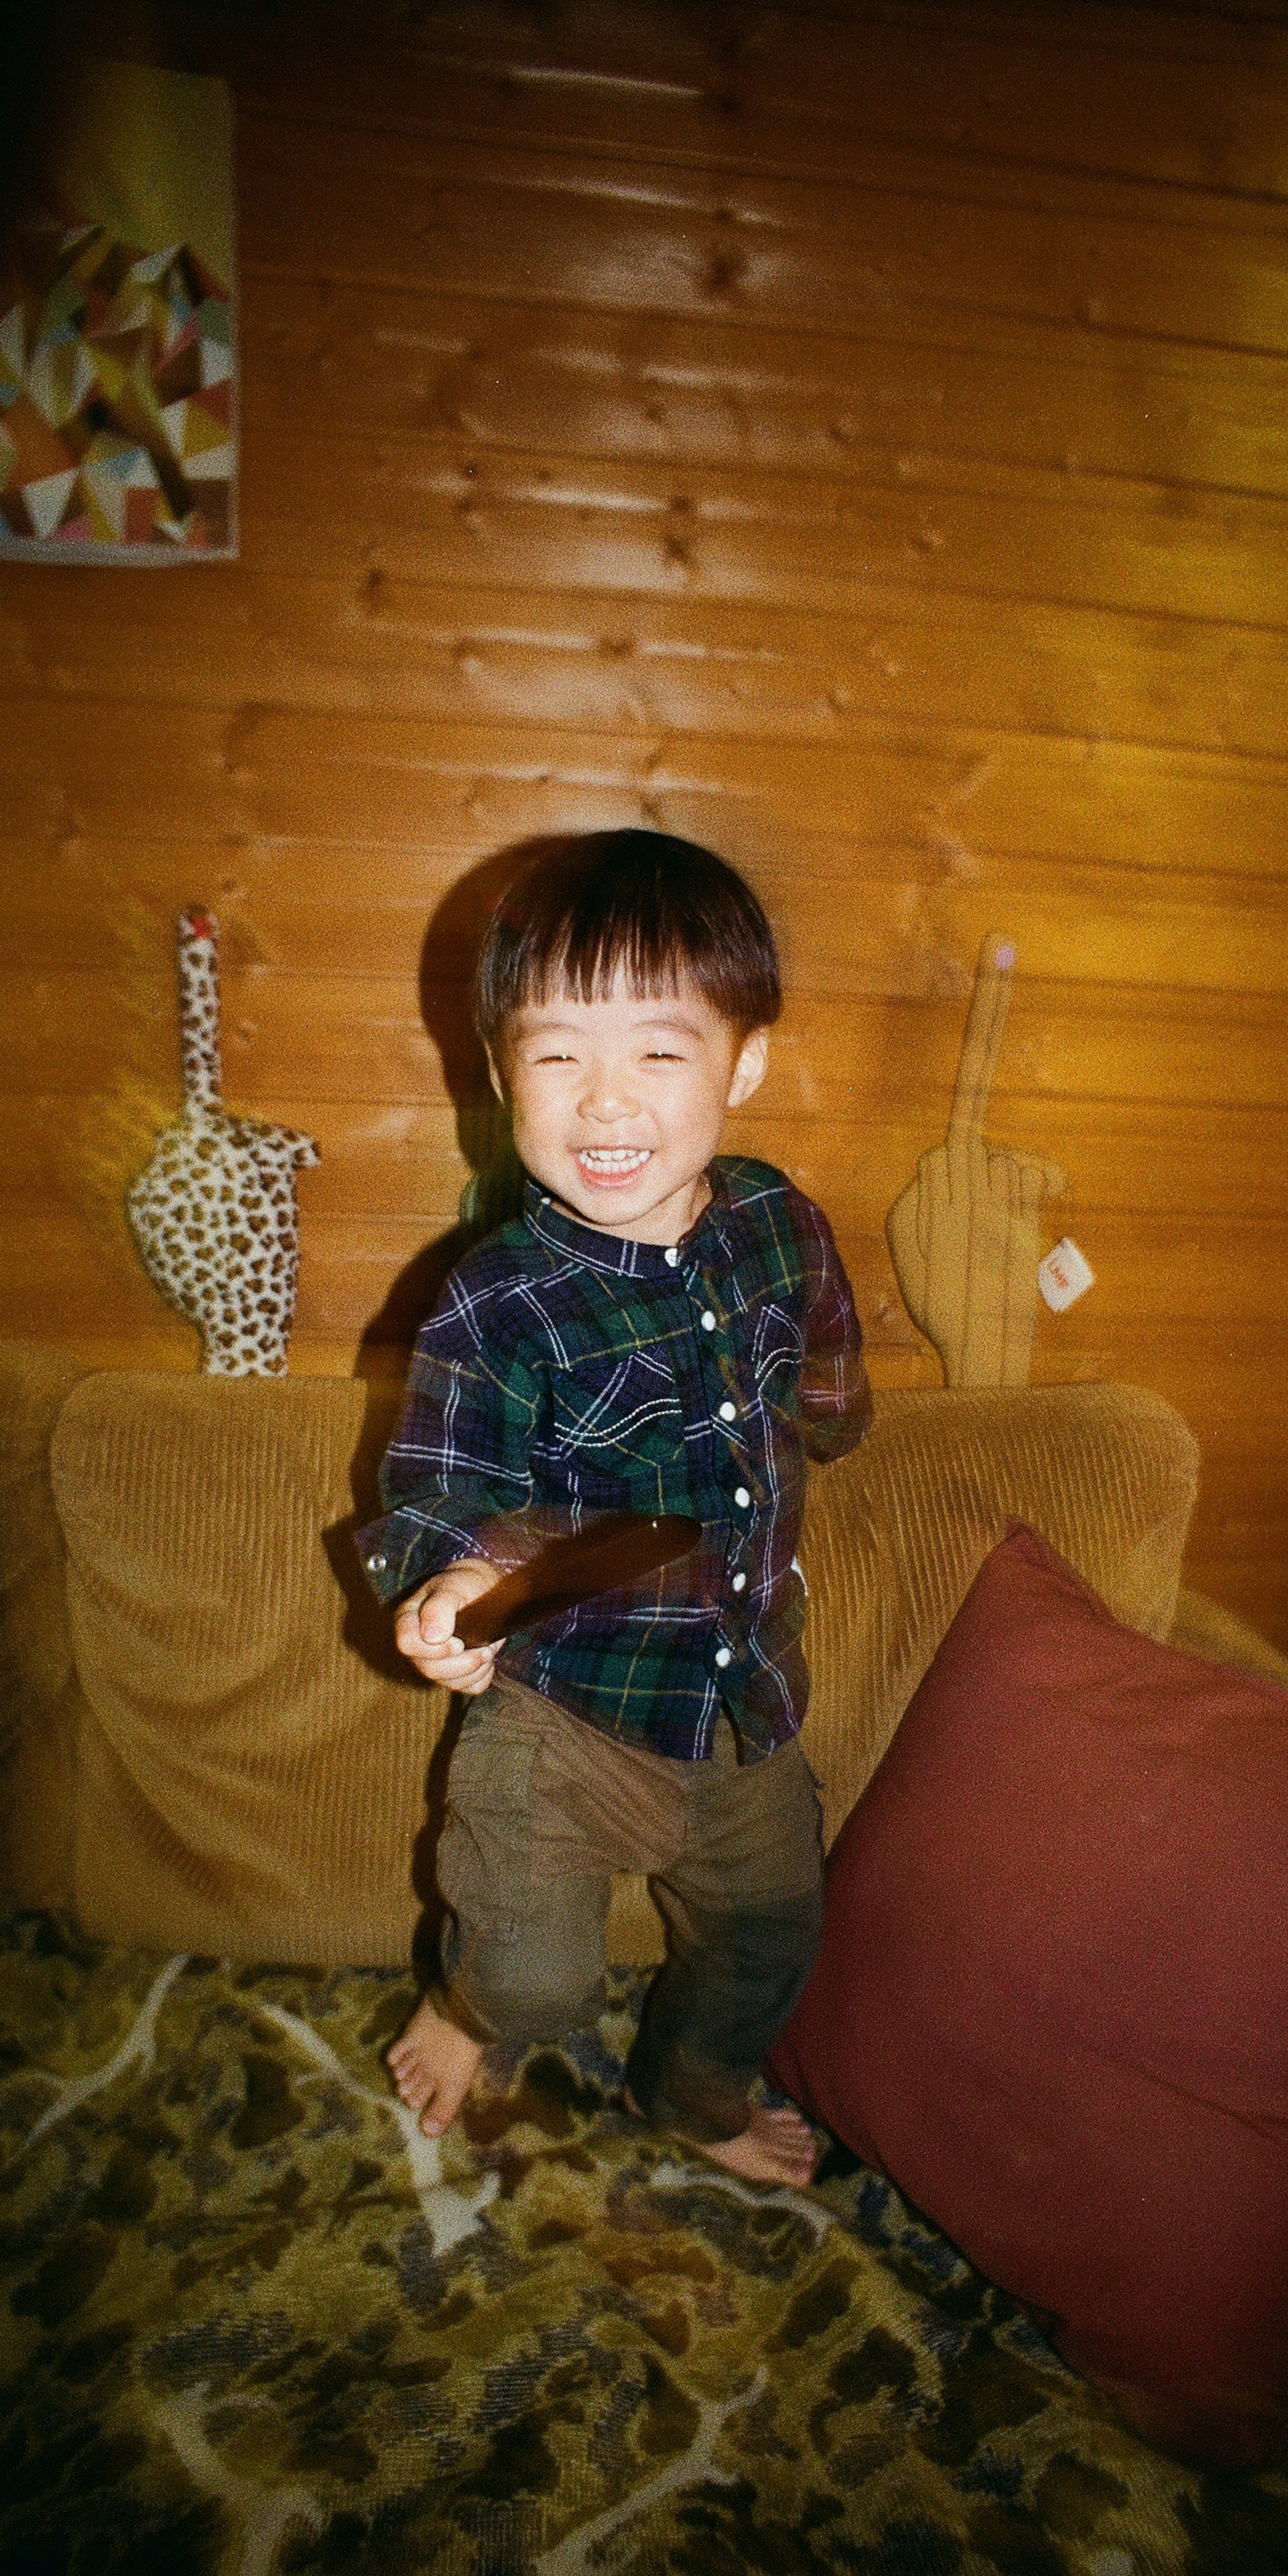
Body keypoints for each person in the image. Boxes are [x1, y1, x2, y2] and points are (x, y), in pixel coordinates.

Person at [356, 830, 872, 2186]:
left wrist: (832, 1411)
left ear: (744, 1062)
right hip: (565, 1708)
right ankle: (468, 2002)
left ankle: (690, 2094)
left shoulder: (780, 1224)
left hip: (749, 1691)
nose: (604, 1103)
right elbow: (437, 1490)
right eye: (555, 1054)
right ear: (499, 1073)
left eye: (657, 1050)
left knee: (772, 1933)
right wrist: (451, 1585)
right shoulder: (494, 1303)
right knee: (534, 1990)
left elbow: (823, 1343)